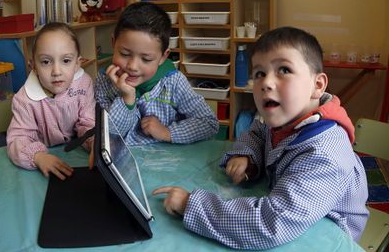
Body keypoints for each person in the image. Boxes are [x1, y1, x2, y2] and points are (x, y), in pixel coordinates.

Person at [153, 26, 369, 250]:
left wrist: (191, 205)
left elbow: (271, 223)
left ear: (317, 85)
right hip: (292, 214)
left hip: (328, 234)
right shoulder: (284, 117)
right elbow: (257, 132)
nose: (266, 83)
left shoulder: (324, 154)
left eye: (284, 70)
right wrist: (246, 156)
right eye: (259, 73)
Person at [95, 2, 218, 145]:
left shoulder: (173, 82)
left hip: (166, 161)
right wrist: (127, 99)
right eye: (124, 53)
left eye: (146, 59)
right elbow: (109, 136)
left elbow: (209, 123)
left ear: (163, 57)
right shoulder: (104, 80)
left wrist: (167, 132)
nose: (133, 67)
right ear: (113, 43)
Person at [7, 22, 95, 180]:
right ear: (33, 66)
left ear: (77, 64)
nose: (56, 71)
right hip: (42, 165)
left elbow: (88, 121)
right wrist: (37, 157)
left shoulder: (84, 83)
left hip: (77, 156)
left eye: (66, 61)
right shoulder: (23, 100)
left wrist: (93, 141)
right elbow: (18, 139)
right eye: (46, 62)